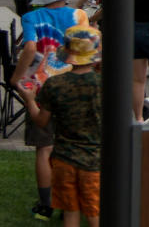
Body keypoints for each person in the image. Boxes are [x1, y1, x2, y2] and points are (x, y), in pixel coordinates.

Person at [10, 0, 88, 221]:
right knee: (73, 144)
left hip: (42, 85)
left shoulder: (31, 16)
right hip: (74, 83)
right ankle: (74, 201)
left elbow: (30, 47)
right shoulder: (79, 15)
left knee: (44, 147)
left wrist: (17, 77)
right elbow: (86, 51)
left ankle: (46, 205)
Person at [18, 25, 103, 227]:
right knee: (94, 214)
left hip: (63, 159)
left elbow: (41, 121)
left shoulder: (55, 84)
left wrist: (29, 100)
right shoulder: (105, 84)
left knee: (70, 212)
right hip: (95, 160)